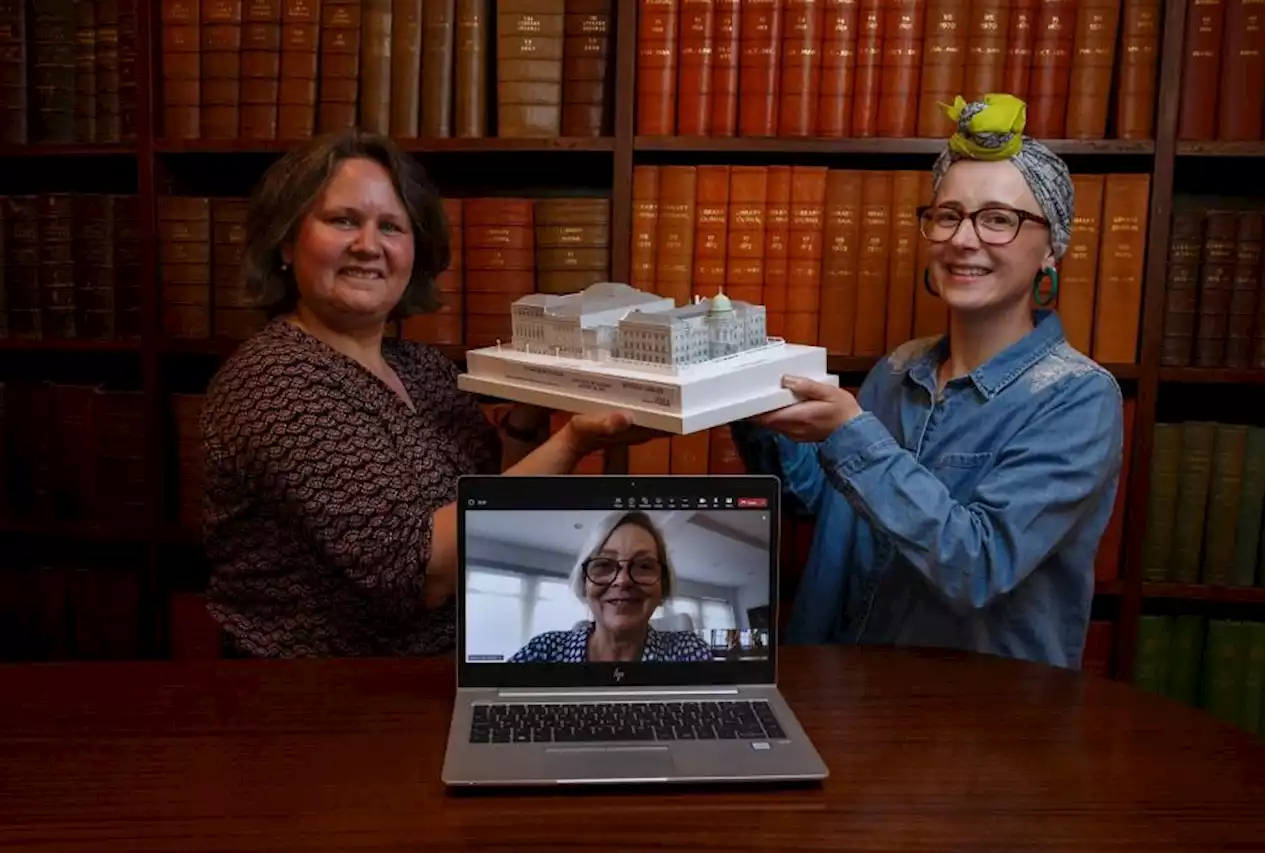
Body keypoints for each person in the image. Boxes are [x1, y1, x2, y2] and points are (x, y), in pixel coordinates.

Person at [200, 130, 656, 658]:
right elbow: (421, 571)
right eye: (343, 220)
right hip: (320, 698)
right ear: (285, 241)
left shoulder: (419, 365)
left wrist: (533, 407)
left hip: (445, 678)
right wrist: (573, 442)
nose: (368, 245)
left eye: (391, 227)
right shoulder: (275, 383)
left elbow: (492, 493)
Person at [732, 94, 1124, 669]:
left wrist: (850, 434)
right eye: (948, 215)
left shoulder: (1078, 397)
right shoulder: (898, 369)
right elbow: (829, 502)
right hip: (844, 689)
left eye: (998, 219)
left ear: (1051, 252)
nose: (964, 240)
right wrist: (750, 398)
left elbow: (980, 565)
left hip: (976, 721)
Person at [507, 511, 714, 662]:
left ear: (663, 584)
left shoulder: (690, 652)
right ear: (584, 581)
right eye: (604, 565)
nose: (623, 581)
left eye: (643, 566)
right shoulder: (544, 651)